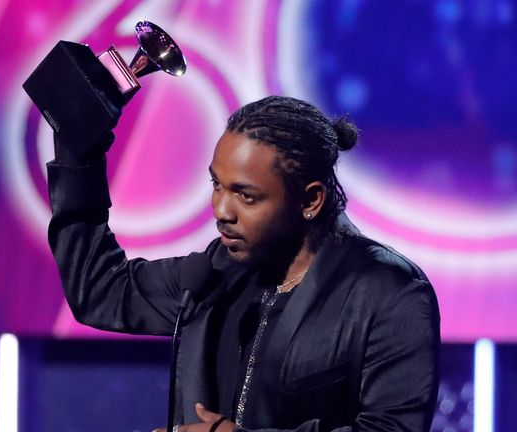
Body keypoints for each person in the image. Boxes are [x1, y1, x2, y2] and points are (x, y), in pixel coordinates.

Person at [46, 96, 440, 431]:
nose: (221, 210)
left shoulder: (390, 293)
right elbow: (100, 290)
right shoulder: (217, 271)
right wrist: (79, 155)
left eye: (246, 196)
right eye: (217, 184)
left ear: (310, 200)